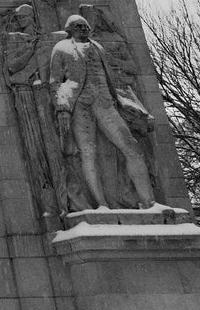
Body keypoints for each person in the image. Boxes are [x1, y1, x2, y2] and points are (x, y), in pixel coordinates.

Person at [49, 15, 156, 209]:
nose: (83, 29)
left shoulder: (98, 48)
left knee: (131, 147)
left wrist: (133, 106)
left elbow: (115, 79)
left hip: (105, 103)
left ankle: (149, 202)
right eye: (78, 26)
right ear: (70, 29)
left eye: (85, 26)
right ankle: (101, 205)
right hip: (80, 104)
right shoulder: (61, 48)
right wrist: (62, 107)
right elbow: (55, 82)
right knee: (88, 153)